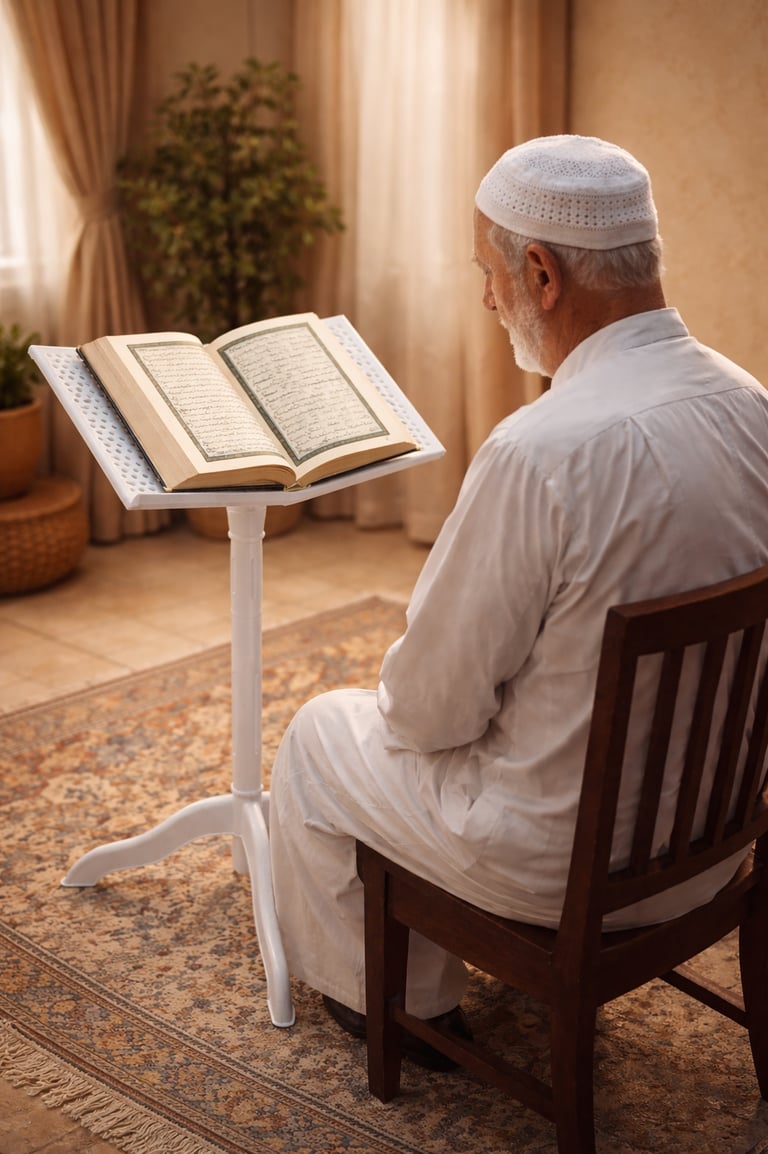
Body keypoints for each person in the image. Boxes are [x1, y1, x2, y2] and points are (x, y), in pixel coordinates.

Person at [268, 134, 768, 1069]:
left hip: (562, 869)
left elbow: (427, 711)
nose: (487, 299)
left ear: (541, 273)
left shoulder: (539, 451)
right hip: (710, 849)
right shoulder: (754, 406)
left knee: (321, 734)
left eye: (487, 275)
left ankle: (408, 1010)